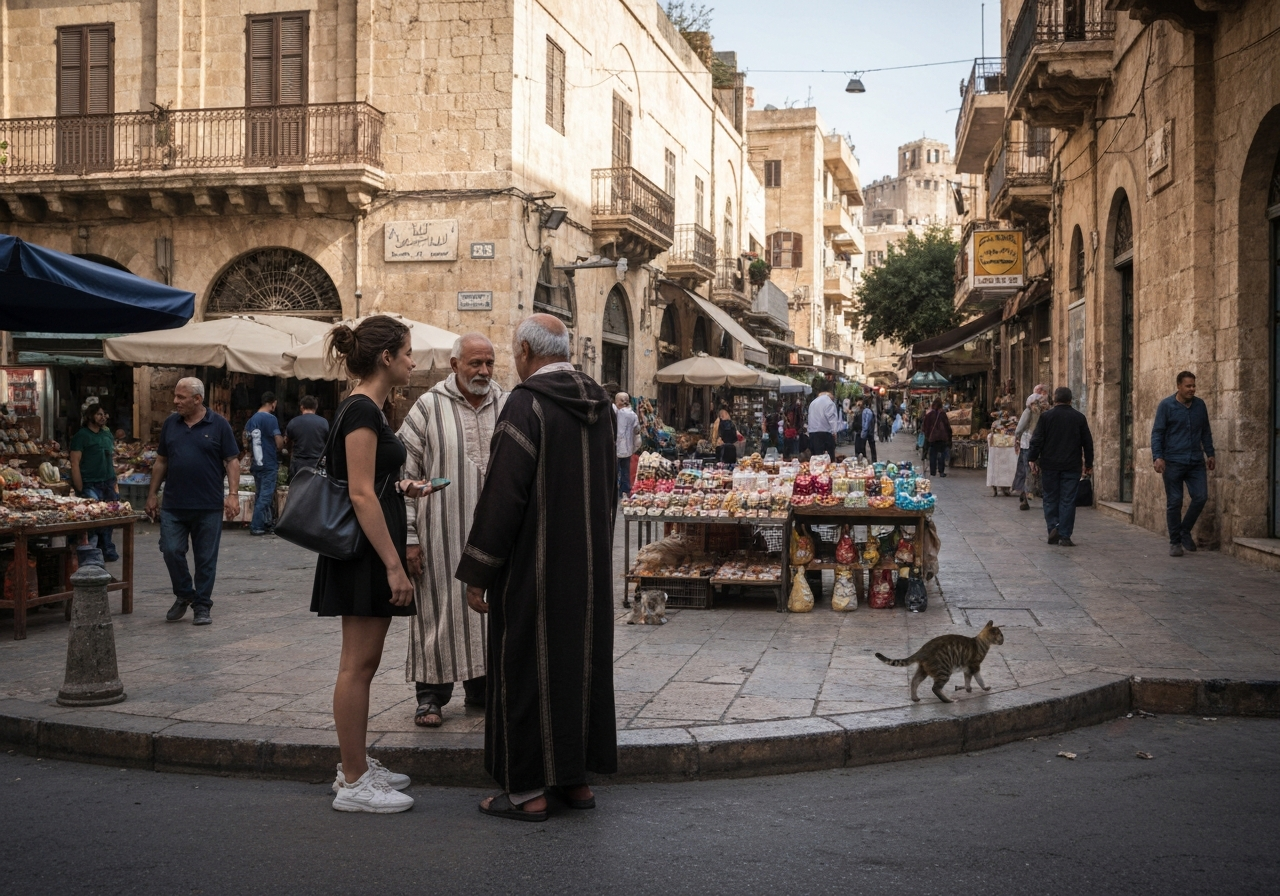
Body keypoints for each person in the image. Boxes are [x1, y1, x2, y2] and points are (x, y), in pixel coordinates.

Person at [455, 314, 617, 822]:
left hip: (536, 567)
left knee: (525, 667)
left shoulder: (526, 404)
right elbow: (610, 488)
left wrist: (479, 571)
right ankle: (575, 780)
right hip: (588, 567)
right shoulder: (601, 402)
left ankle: (528, 792)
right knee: (578, 667)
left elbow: (503, 495)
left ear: (525, 351)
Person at [312, 315, 435, 813]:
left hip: (367, 549)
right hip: (365, 553)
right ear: (387, 357)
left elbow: (366, 480)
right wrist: (393, 566)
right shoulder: (362, 409)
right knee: (357, 667)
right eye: (407, 353)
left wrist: (402, 486)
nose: (412, 362)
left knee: (361, 664)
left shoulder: (366, 407)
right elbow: (360, 494)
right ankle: (354, 781)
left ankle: (355, 764)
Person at [399, 333, 506, 728]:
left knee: (487, 615)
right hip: (438, 537)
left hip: (493, 538)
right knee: (437, 614)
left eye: (489, 363)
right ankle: (431, 695)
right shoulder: (427, 406)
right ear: (455, 364)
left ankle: (482, 690)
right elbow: (403, 476)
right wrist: (410, 538)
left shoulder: (508, 404)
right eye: (475, 363)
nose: (483, 371)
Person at [146, 378, 241, 626]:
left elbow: (232, 461)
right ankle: (184, 593)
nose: (175, 401)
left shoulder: (219, 425)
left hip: (208, 504)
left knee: (205, 559)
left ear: (197, 399)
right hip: (174, 504)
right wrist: (152, 494)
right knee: (170, 550)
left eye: (181, 397)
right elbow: (161, 461)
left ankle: (202, 605)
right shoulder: (171, 424)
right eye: (175, 396)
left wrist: (233, 495)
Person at [1151, 371, 1215, 557]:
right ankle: (1175, 542)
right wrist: (1157, 457)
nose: (1192, 389)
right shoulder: (1166, 406)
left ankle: (1184, 530)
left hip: (1195, 461)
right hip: (1173, 462)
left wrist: (1210, 453)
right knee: (1175, 501)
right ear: (1178, 386)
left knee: (1201, 497)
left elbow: (1205, 431)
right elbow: (1157, 433)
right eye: (1188, 386)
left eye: (1194, 385)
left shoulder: (1200, 405)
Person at [1028, 387, 1094, 548]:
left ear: (1055, 400)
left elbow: (1037, 440)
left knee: (1050, 498)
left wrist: (1032, 458)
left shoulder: (1046, 417)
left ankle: (1053, 528)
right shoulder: (1079, 418)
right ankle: (1065, 535)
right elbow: (1087, 443)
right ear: (1070, 400)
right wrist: (1089, 464)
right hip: (1072, 466)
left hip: (1050, 465)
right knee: (1068, 500)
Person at [70, 402, 119, 562]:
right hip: (90, 483)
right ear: (90, 416)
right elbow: (75, 462)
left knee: (109, 517)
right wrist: (79, 486)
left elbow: (110, 458)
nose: (103, 417)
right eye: (99, 414)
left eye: (104, 414)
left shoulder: (107, 434)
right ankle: (91, 553)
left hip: (108, 482)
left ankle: (107, 549)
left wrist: (115, 482)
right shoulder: (81, 436)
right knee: (93, 519)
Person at [243, 392, 283, 536]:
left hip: (256, 463)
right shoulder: (271, 419)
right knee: (266, 496)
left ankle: (267, 522)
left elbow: (245, 438)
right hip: (268, 461)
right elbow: (278, 442)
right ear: (273, 403)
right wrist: (281, 444)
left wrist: (250, 451)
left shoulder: (252, 419)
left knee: (261, 494)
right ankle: (256, 525)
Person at [1013, 387, 1049, 511]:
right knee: (1040, 470)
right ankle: (1043, 495)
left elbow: (1019, 428)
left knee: (1026, 470)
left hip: (1027, 444)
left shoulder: (1029, 411)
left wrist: (1017, 438)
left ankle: (1025, 497)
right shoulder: (1046, 411)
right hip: (1042, 445)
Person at [285, 395, 330, 482]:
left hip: (298, 464)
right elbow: (328, 442)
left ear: (301, 407)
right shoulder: (324, 423)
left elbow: (287, 441)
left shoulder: (293, 422)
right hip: (317, 463)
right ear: (316, 407)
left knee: (298, 487)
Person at [614, 392, 639, 498]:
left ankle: (614, 491)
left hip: (616, 447)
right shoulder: (633, 415)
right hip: (628, 448)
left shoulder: (615, 412)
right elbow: (637, 430)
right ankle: (625, 490)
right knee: (625, 470)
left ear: (619, 402)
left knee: (614, 471)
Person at [921, 398, 951, 476]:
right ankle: (941, 471)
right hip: (942, 438)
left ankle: (933, 471)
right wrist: (949, 437)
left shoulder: (929, 415)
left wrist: (927, 435)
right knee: (941, 454)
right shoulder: (943, 414)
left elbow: (925, 427)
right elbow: (947, 426)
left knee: (933, 454)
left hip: (933, 438)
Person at [807, 390, 838, 458]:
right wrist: (834, 432)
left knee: (816, 457)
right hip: (824, 433)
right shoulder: (829, 402)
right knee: (828, 457)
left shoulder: (813, 403)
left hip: (812, 433)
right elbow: (832, 418)